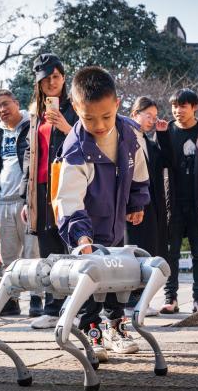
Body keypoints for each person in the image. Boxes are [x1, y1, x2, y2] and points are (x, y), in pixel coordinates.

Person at [53, 66, 150, 361]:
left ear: (117, 105)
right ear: (75, 108)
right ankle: (89, 329)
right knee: (89, 278)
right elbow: (68, 199)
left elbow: (139, 172)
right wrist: (81, 236)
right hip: (86, 225)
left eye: (106, 116)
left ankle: (116, 325)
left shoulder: (131, 134)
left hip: (116, 219)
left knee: (117, 276)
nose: (98, 124)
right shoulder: (75, 150)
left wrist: (136, 203)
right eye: (88, 118)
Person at [21, 54, 80, 329]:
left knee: (75, 246)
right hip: (41, 190)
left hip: (69, 186)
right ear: (39, 82)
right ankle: (53, 308)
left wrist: (66, 127)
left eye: (56, 76)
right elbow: (29, 157)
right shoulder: (34, 114)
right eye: (46, 78)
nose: (52, 82)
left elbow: (88, 144)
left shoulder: (77, 108)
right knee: (49, 251)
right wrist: (26, 198)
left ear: (64, 78)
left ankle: (79, 307)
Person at [156, 89, 198, 314]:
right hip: (172, 202)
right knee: (170, 252)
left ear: (194, 107)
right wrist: (162, 136)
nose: (178, 111)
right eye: (175, 106)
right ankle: (170, 298)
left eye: (183, 106)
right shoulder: (168, 131)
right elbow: (161, 163)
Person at [0, 89, 40, 316]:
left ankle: (36, 299)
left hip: (27, 200)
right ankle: (12, 300)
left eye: (6, 104)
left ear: (16, 103)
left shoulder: (31, 125)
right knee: (8, 256)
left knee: (32, 254)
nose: (3, 110)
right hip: (3, 201)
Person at [123, 97, 168, 317]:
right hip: (134, 204)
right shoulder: (126, 137)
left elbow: (167, 161)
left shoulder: (147, 142)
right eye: (147, 115)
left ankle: (141, 298)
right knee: (136, 251)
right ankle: (134, 299)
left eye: (154, 116)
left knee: (149, 250)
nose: (151, 120)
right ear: (134, 114)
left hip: (152, 204)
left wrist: (162, 135)